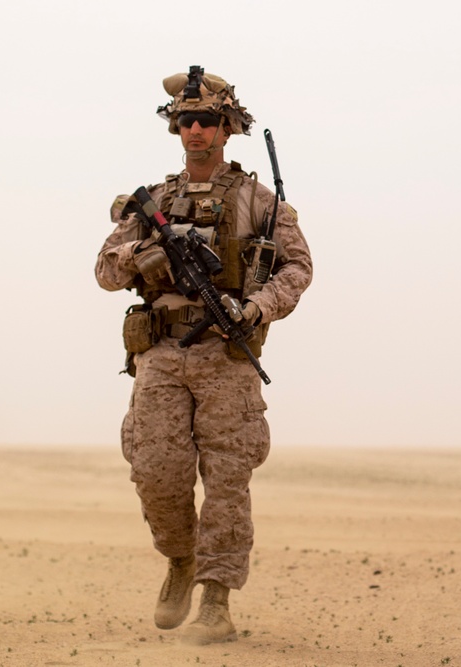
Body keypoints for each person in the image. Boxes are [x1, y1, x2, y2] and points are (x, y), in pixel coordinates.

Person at [95, 66, 312, 644]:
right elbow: (104, 270)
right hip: (162, 352)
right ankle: (180, 559)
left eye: (207, 121)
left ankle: (216, 597)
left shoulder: (258, 202)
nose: (196, 130)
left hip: (227, 354)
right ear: (177, 128)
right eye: (186, 121)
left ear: (227, 127)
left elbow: (298, 269)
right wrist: (144, 254)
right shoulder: (154, 201)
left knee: (227, 480)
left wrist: (258, 307)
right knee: (156, 473)